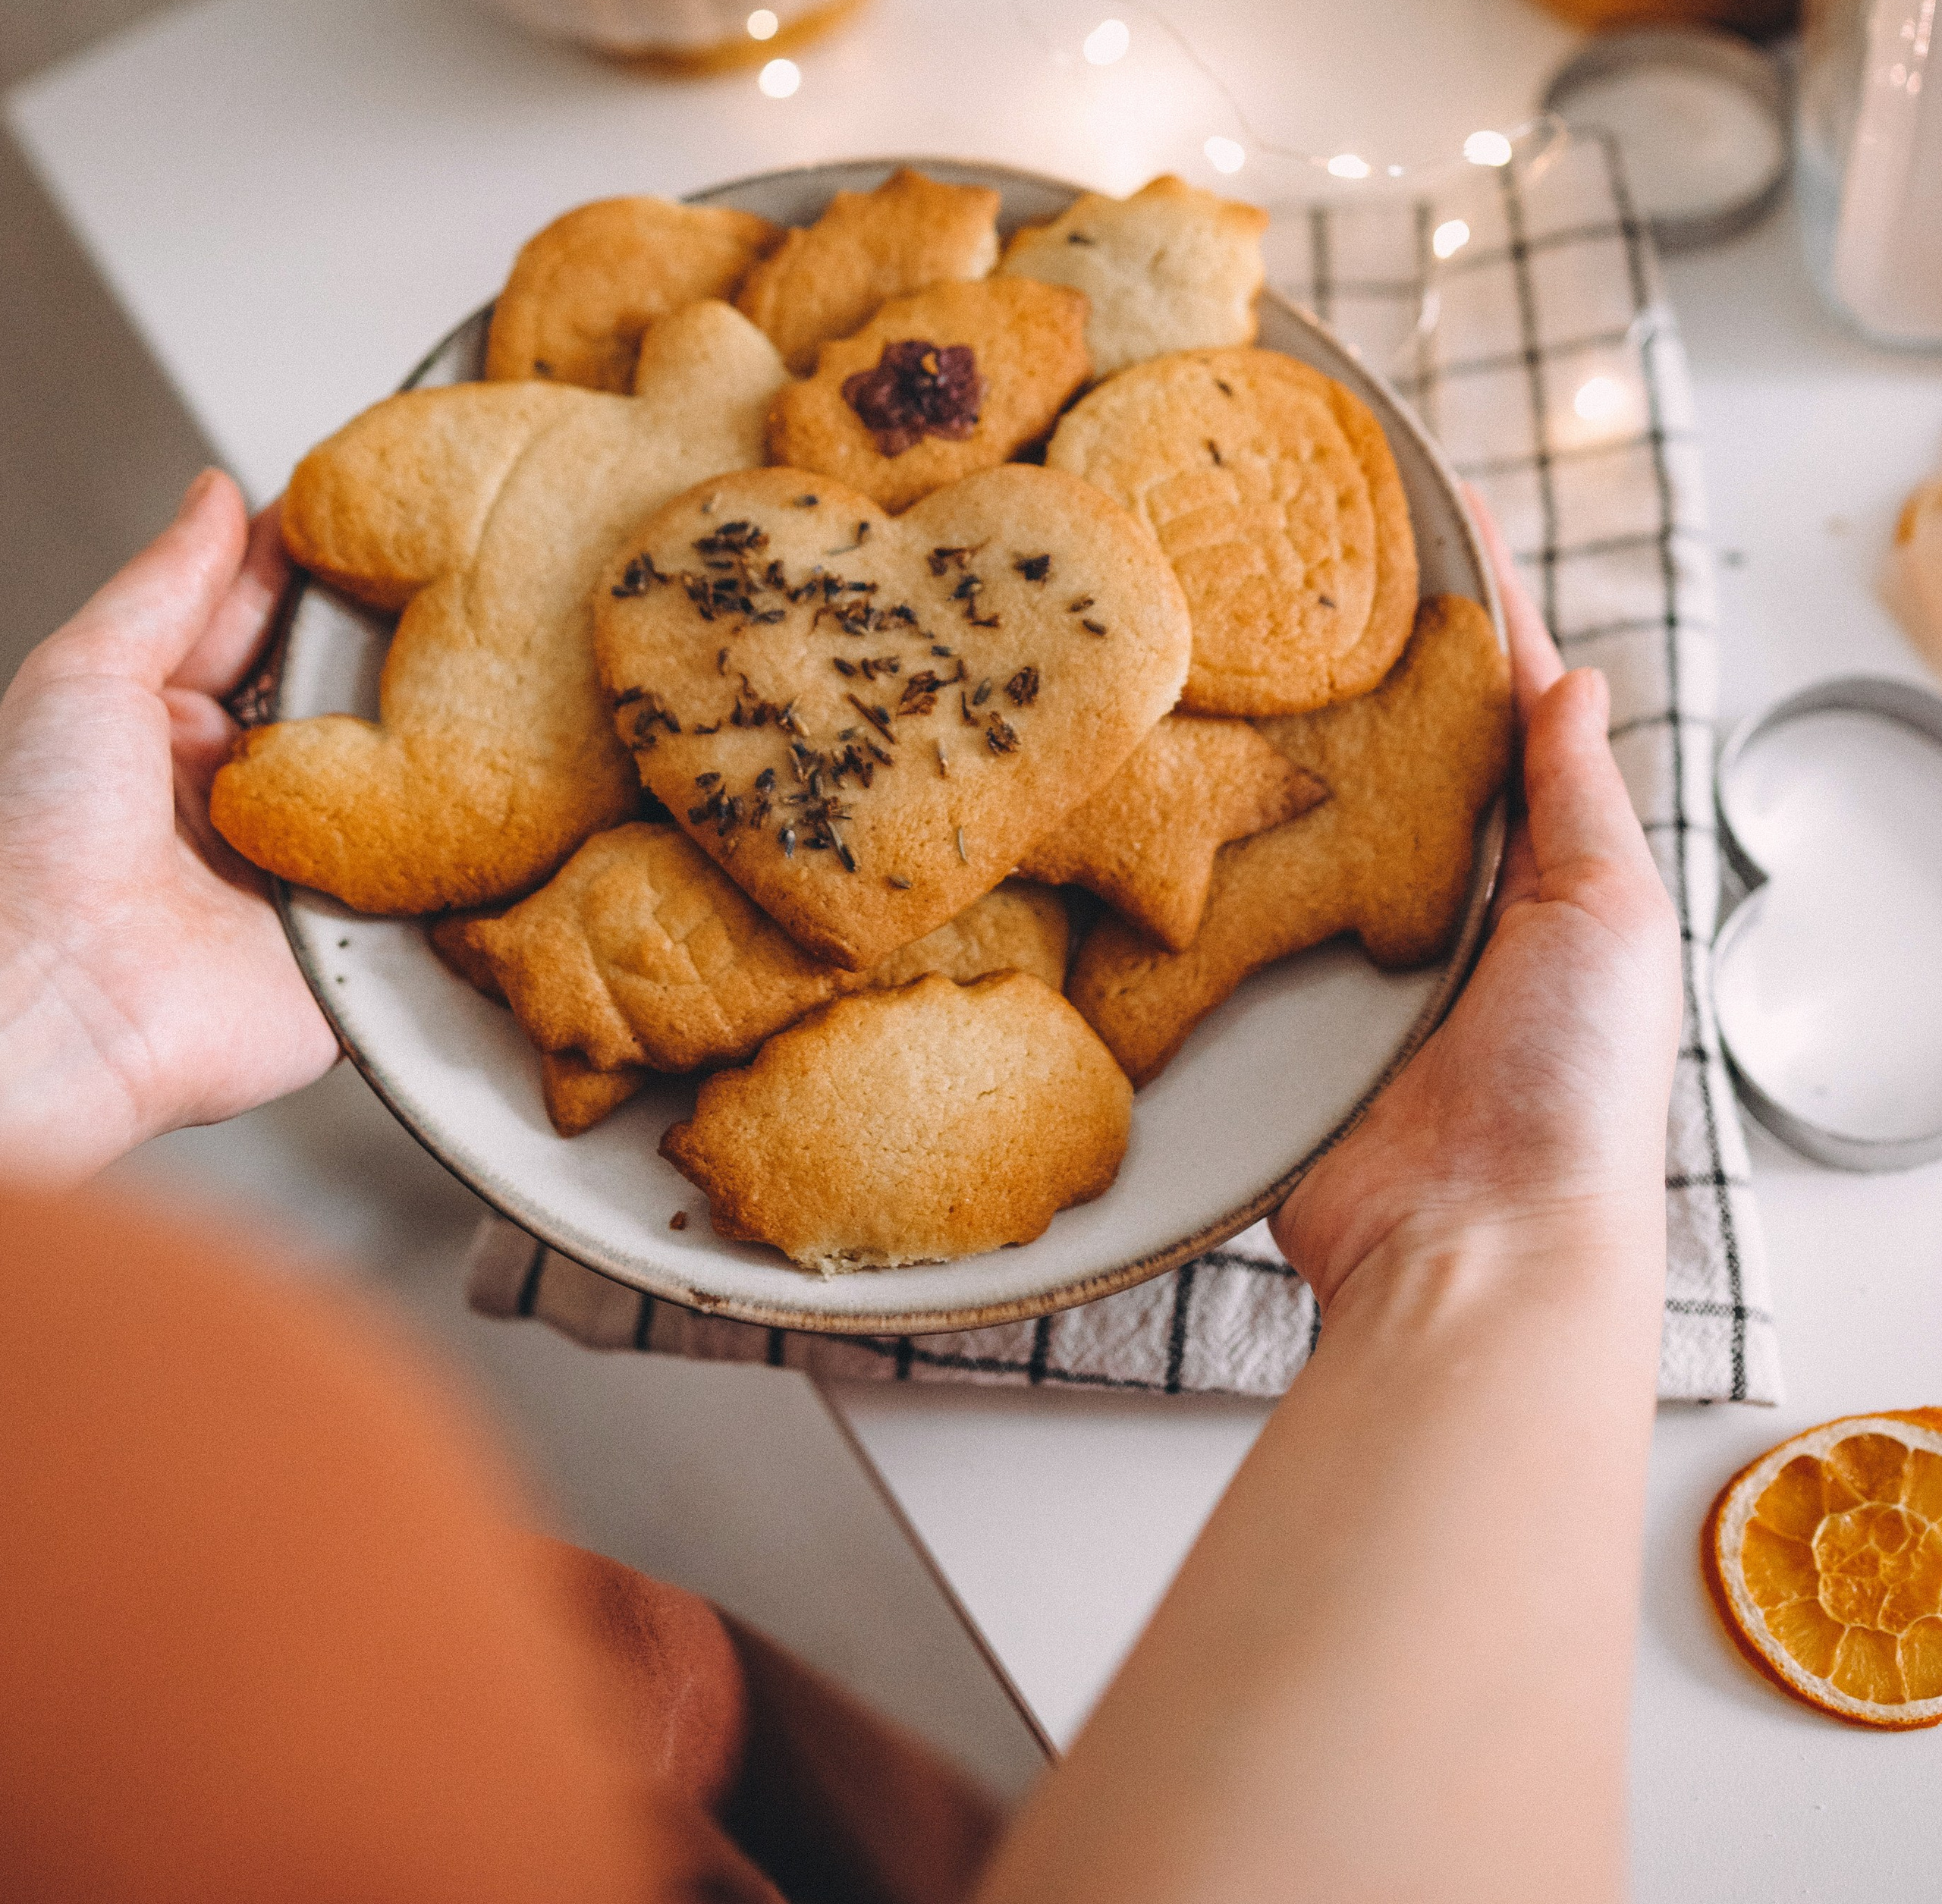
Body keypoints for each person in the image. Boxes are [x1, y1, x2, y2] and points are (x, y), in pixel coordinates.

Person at [0, 467, 1681, 1904]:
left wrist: (61, 988)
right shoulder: (165, 1560)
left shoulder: (133, 1435)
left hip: (644, 1747)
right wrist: (1510, 1236)